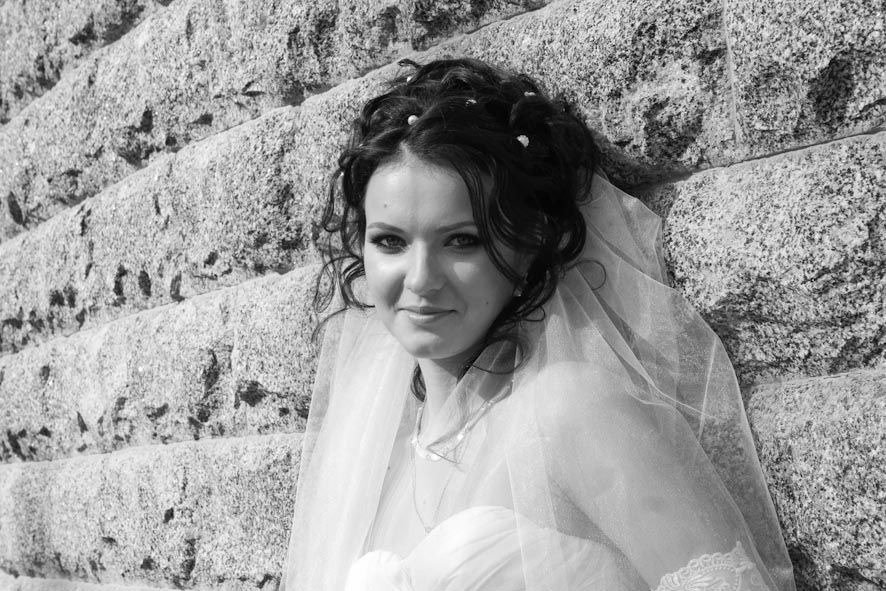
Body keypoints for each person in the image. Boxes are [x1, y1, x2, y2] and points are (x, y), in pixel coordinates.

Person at [283, 58, 796, 591]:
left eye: (462, 241)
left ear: (528, 246)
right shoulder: (373, 455)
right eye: (390, 241)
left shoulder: (570, 409)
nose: (420, 279)